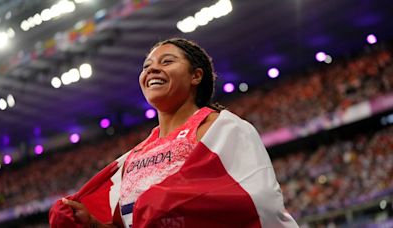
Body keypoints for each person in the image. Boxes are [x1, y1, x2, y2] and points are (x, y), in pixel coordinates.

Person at [50, 38, 298, 228]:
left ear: (196, 76)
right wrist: (92, 224)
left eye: (166, 61)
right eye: (147, 66)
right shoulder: (135, 156)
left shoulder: (222, 128)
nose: (152, 70)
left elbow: (259, 202)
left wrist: (167, 203)